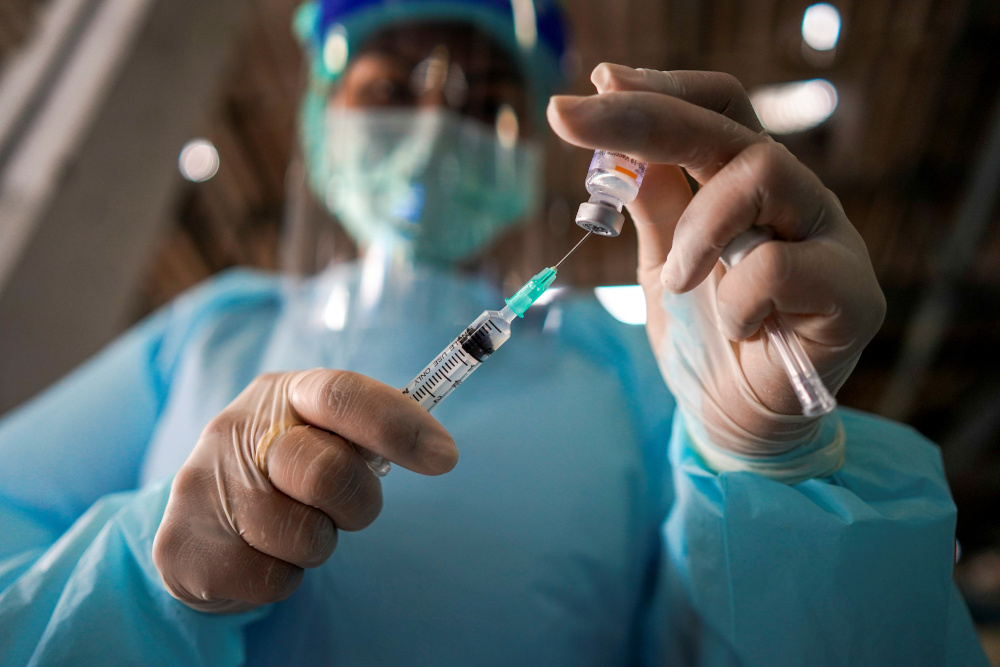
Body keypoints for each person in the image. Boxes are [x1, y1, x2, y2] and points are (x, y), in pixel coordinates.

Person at [0, 0, 989, 664]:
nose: (436, 123)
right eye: (387, 90)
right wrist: (148, 572)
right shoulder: (214, 329)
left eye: (485, 101)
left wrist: (770, 468)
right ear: (317, 118)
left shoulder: (635, 374)